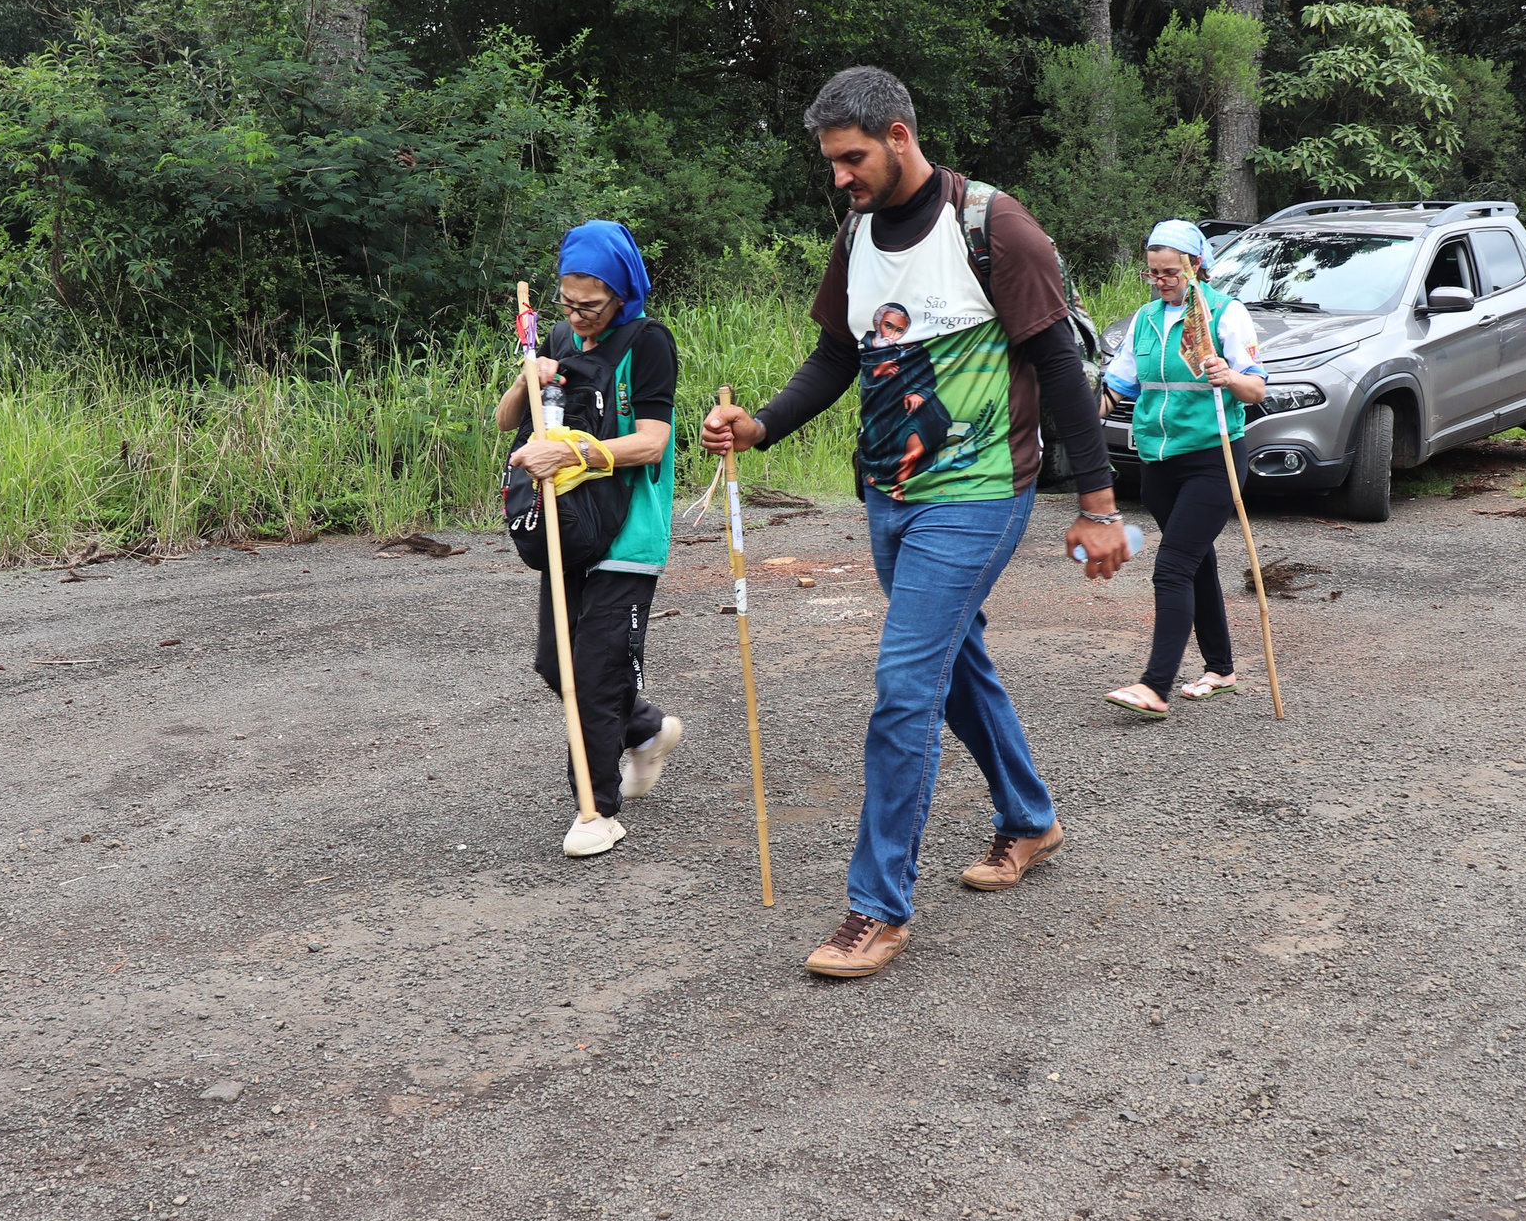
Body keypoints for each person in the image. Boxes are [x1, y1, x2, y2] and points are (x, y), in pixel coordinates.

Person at [699, 66, 1127, 980]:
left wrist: (1098, 507)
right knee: (951, 660)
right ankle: (1032, 818)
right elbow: (835, 355)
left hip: (977, 495)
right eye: (831, 163)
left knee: (904, 685)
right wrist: (763, 423)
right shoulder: (855, 235)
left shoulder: (993, 227)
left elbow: (1059, 370)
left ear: (899, 135)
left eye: (852, 158)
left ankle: (876, 907)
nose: (841, 177)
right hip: (887, 496)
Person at [497, 221, 682, 858]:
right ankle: (646, 730)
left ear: (621, 292)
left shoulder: (648, 341)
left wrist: (579, 449)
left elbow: (653, 440)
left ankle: (598, 809)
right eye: (568, 303)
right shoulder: (554, 337)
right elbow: (506, 421)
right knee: (555, 664)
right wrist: (530, 376)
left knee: (598, 671)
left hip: (629, 528)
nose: (578, 318)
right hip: (569, 522)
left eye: (591, 305)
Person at [1099, 221, 1269, 716]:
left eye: (1169, 271)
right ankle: (1221, 668)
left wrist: (1230, 375)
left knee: (1172, 566)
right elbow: (1119, 387)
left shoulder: (1224, 313)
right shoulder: (1146, 319)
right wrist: (1086, 411)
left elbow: (1257, 390)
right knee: (1196, 561)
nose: (1160, 280)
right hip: (1157, 463)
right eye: (1152, 272)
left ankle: (1155, 685)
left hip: (1212, 459)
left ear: (1196, 266)